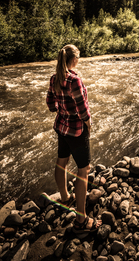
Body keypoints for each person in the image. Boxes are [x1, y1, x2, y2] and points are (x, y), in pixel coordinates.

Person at [46, 44, 101, 233]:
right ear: (74, 59)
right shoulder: (74, 80)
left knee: (61, 162)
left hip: (61, 127)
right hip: (77, 130)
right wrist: (89, 124)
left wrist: (62, 110)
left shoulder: (55, 78)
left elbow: (50, 105)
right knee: (83, 170)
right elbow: (83, 110)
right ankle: (81, 220)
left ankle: (64, 196)